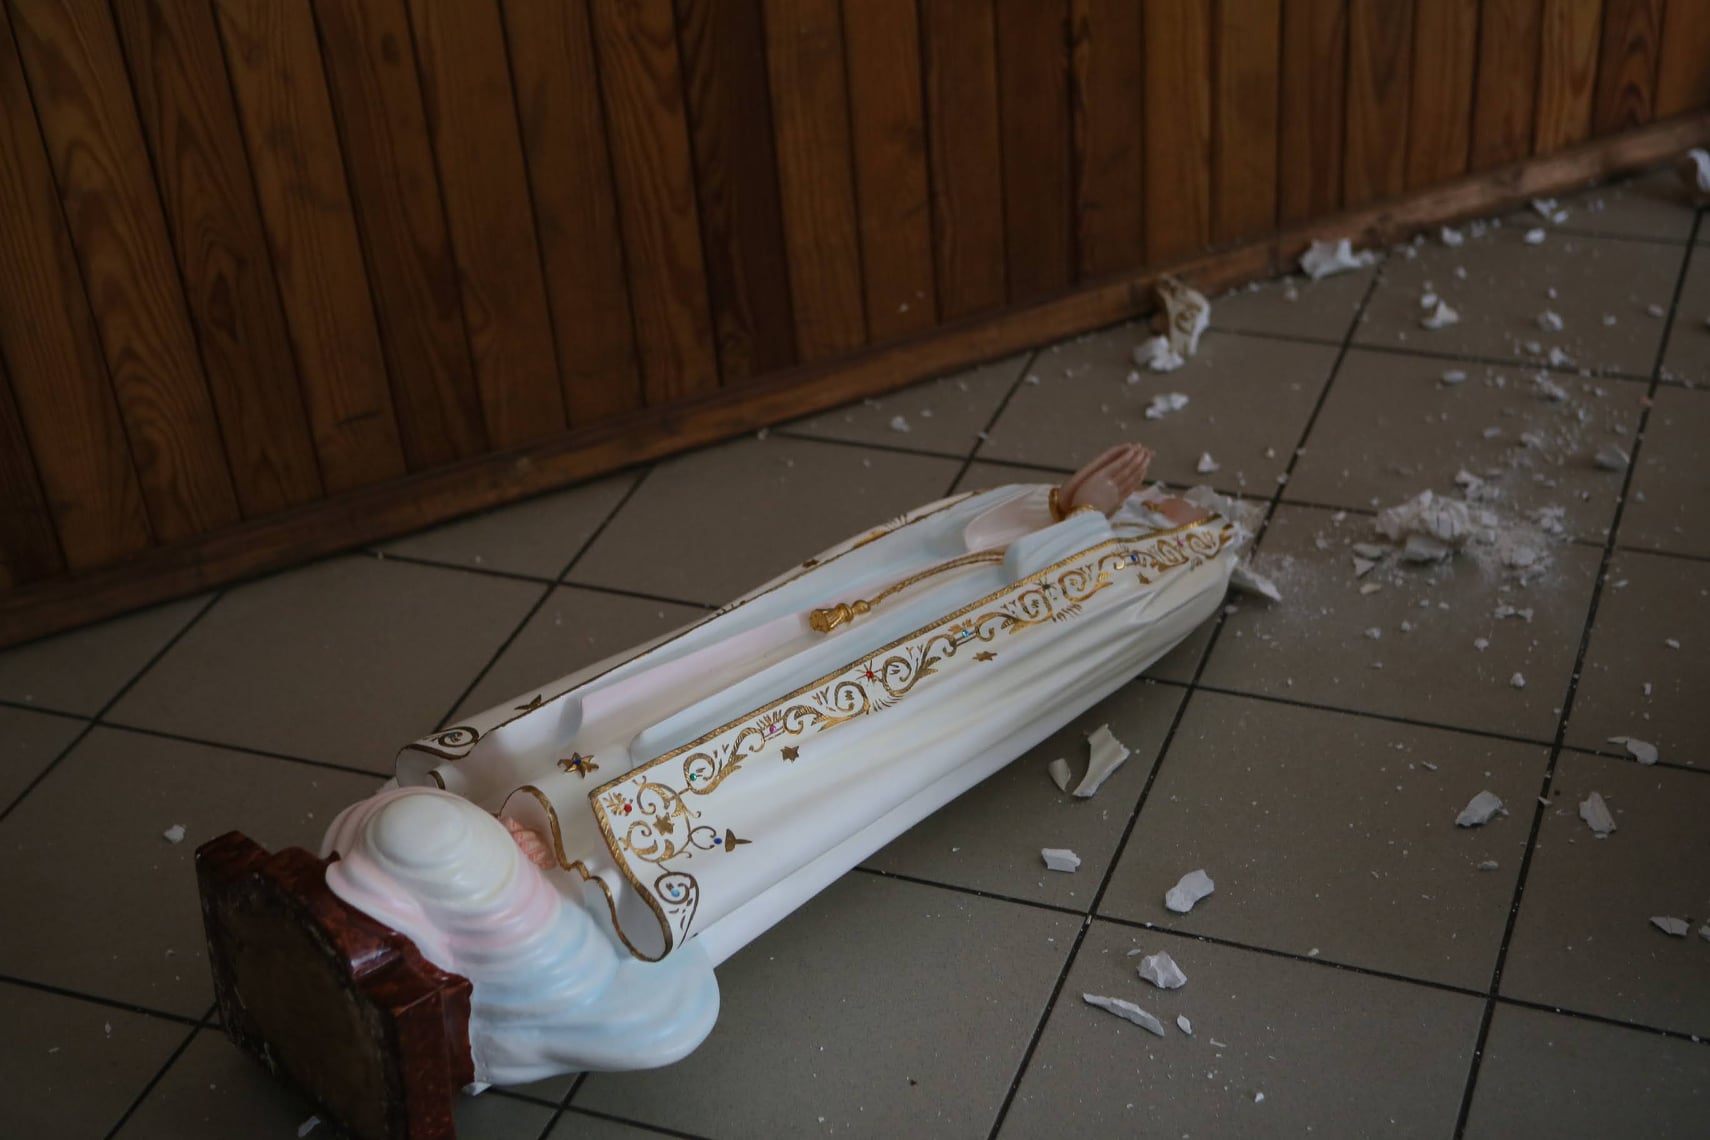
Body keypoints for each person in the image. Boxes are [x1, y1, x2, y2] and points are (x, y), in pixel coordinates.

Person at [321, 444, 1242, 1081]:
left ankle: (564, 836)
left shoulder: (1141, 583)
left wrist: (1072, 523)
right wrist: (1066, 514)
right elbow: (954, 545)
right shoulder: (1103, 553)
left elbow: (1051, 605)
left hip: (885, 686)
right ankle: (545, 827)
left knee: (749, 757)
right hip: (812, 655)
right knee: (670, 718)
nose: (1170, 505)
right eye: (1170, 503)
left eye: (1178, 514)